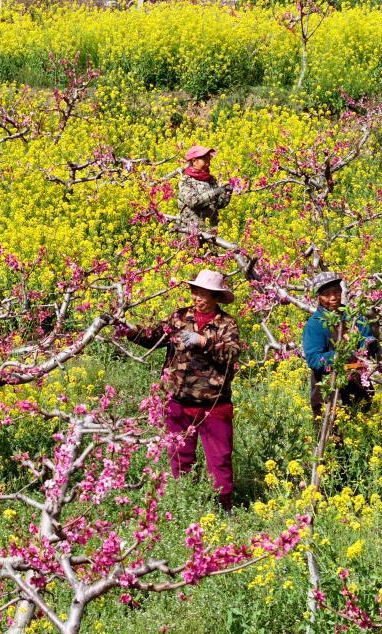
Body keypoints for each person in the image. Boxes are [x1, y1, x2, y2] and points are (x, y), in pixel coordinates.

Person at [123, 270, 242, 512]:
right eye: (195, 291)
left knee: (219, 460)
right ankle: (187, 504)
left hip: (213, 403)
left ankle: (224, 507)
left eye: (203, 293)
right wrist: (128, 329)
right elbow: (154, 336)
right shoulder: (179, 317)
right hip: (178, 400)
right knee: (180, 456)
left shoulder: (226, 323)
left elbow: (232, 353)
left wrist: (203, 342)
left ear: (215, 296)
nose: (197, 297)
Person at [302, 272, 379, 419]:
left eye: (337, 292)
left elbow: (368, 342)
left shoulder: (353, 317)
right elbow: (314, 360)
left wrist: (370, 345)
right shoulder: (315, 324)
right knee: (333, 430)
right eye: (327, 294)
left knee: (363, 427)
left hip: (359, 389)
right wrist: (344, 356)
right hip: (329, 392)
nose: (333, 298)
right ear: (318, 297)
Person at [177, 145, 232, 235]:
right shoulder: (186, 181)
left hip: (210, 230)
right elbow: (193, 201)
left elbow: (219, 204)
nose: (208, 163)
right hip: (191, 232)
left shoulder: (210, 179)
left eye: (209, 160)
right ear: (194, 161)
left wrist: (227, 192)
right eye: (205, 160)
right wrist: (215, 192)